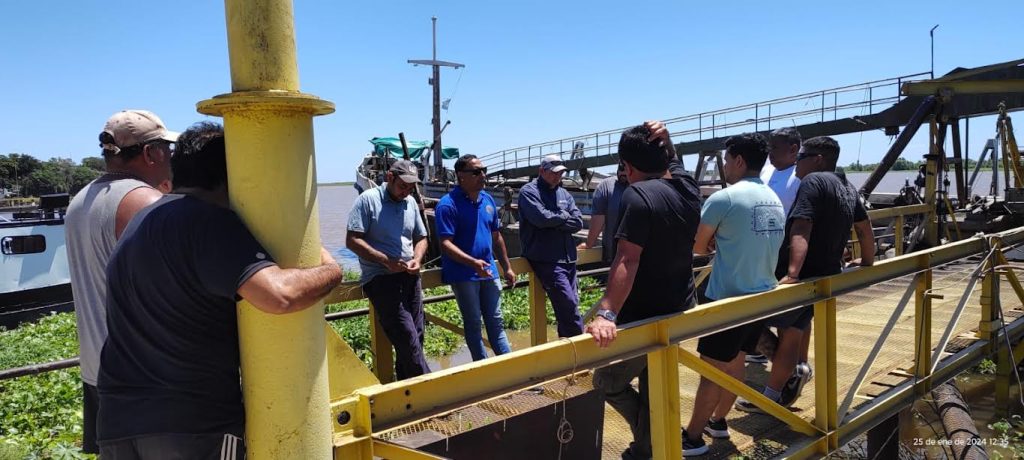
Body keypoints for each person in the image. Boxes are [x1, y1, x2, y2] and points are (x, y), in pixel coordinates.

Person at [96, 122, 344, 459]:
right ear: (235, 174)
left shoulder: (141, 221)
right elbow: (279, 295)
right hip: (191, 424)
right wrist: (331, 269)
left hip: (119, 422)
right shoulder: (209, 221)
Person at [585, 121, 701, 460]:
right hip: (679, 308)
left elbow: (627, 258)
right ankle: (650, 448)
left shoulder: (638, 195)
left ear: (627, 166)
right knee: (655, 383)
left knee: (607, 383)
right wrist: (668, 141)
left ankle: (649, 443)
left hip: (643, 317)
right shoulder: (687, 187)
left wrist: (606, 313)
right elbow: (674, 164)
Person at [736, 136, 874, 413]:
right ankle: (777, 391)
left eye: (802, 157)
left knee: (743, 322)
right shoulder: (847, 185)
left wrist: (792, 273)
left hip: (802, 276)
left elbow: (802, 226)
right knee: (792, 334)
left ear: (818, 160)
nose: (797, 162)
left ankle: (788, 378)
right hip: (825, 275)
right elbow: (864, 225)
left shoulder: (813, 182)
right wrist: (868, 260)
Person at [65, 109, 176, 454]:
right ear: (151, 153)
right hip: (145, 380)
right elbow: (176, 289)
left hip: (97, 373)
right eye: (167, 150)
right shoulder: (144, 202)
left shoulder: (78, 202)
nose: (171, 158)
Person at [682, 133, 785, 456]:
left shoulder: (724, 199)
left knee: (712, 369)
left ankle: (694, 438)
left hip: (727, 298)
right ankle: (719, 421)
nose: (725, 166)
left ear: (739, 161)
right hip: (761, 295)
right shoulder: (773, 199)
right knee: (736, 361)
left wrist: (713, 244)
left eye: (726, 160)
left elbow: (698, 246)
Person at [346, 160, 431, 380]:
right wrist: (386, 261)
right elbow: (352, 240)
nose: (407, 191)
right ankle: (432, 390)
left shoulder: (410, 202)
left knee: (417, 336)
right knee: (407, 337)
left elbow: (421, 238)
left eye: (411, 187)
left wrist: (418, 259)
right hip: (381, 279)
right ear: (389, 178)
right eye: (404, 185)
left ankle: (406, 392)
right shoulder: (367, 200)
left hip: (410, 276)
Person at [435, 154, 516, 361]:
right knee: (473, 324)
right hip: (464, 275)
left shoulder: (487, 199)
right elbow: (445, 244)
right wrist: (472, 263)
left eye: (484, 171)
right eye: (476, 172)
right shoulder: (447, 205)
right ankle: (484, 373)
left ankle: (511, 370)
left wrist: (507, 267)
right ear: (461, 176)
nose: (483, 175)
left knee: (496, 322)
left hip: (489, 271)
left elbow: (497, 237)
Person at [745, 128, 802, 365]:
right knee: (757, 309)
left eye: (775, 149)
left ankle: (792, 366)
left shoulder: (800, 177)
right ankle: (765, 353)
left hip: (784, 252)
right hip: (762, 251)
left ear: (793, 149)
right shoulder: (767, 172)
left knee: (789, 318)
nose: (770, 154)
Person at [518, 154, 585, 337]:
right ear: (541, 171)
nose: (558, 177)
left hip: (568, 257)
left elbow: (578, 222)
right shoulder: (529, 192)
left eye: (561, 173)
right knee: (568, 306)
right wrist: (563, 216)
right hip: (546, 259)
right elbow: (541, 218)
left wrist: (555, 219)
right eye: (554, 173)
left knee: (570, 306)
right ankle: (581, 349)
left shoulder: (564, 193)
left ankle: (568, 353)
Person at [579, 162, 629, 266]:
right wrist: (589, 243)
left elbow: (599, 219)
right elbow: (598, 219)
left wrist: (589, 244)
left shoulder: (605, 186)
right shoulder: (606, 186)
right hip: (621, 254)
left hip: (615, 255)